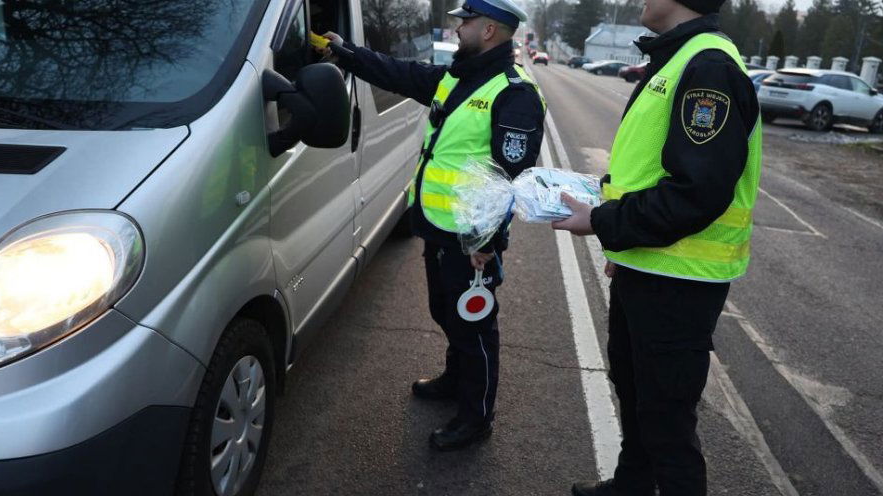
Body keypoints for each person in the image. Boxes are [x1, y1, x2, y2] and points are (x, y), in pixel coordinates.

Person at [315, 0, 546, 451]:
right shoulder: (459, 76)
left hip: (471, 238)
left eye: (466, 22)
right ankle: (455, 379)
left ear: (491, 31)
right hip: (440, 226)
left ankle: (476, 417)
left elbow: (509, 175)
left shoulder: (513, 92)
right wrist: (348, 54)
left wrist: (486, 241)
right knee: (445, 311)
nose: (456, 28)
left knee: (473, 326)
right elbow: (401, 74)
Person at [551, 0, 761, 493]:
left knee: (668, 426)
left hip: (679, 283)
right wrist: (618, 237)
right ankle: (631, 485)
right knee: (635, 392)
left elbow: (697, 192)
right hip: (647, 264)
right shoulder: (678, 57)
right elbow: (648, 173)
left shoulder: (707, 67)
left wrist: (603, 221)